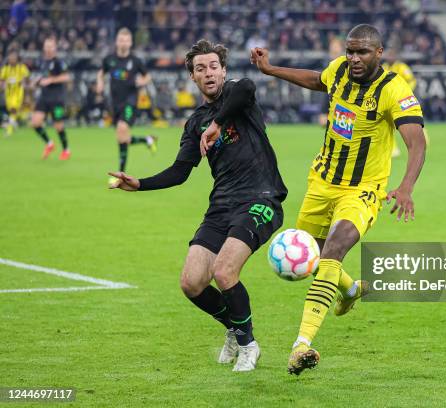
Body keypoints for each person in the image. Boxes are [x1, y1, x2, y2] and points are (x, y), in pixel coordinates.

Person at [250, 24, 426, 375]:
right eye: (350, 51)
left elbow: (416, 142)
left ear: (379, 53)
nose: (354, 58)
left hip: (363, 189)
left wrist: (405, 187)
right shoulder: (340, 71)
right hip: (322, 182)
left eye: (362, 52)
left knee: (333, 250)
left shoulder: (393, 89)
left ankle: (301, 345)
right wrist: (271, 69)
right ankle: (348, 290)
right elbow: (318, 80)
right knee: (314, 261)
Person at [108, 39, 287, 372]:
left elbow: (246, 87)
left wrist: (219, 123)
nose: (209, 73)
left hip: (261, 198)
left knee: (224, 271)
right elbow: (180, 172)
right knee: (191, 282)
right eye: (201, 68)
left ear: (223, 70)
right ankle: (234, 328)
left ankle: (249, 345)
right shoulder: (195, 123)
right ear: (192, 76)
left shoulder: (238, 97)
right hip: (221, 206)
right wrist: (140, 183)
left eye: (214, 66)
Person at [97, 27, 158, 186]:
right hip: (115, 103)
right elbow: (101, 73)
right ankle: (148, 140)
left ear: (130, 42)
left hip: (131, 101)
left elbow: (147, 76)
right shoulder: (109, 59)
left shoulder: (136, 61)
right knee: (122, 138)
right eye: (121, 39)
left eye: (126, 40)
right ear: (117, 41)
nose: (123, 42)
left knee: (122, 128)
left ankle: (121, 176)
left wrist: (142, 81)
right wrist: (99, 83)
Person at [31, 37, 71, 160]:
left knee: (58, 126)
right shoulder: (42, 62)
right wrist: (36, 81)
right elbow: (43, 77)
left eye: (51, 46)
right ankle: (49, 143)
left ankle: (66, 150)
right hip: (44, 98)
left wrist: (51, 80)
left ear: (55, 48)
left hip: (57, 99)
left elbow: (66, 77)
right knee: (35, 123)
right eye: (47, 46)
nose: (48, 49)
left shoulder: (59, 62)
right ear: (44, 48)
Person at [383, 48, 418, 157]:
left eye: (391, 55)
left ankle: (421, 139)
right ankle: (393, 149)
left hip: (403, 100)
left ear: (395, 57)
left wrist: (407, 93)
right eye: (388, 55)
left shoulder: (402, 67)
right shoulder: (383, 67)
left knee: (408, 122)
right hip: (389, 100)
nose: (389, 57)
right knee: (388, 124)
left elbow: (412, 80)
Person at [0, 50, 29, 136]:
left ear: (16, 59)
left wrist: (23, 81)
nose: (12, 60)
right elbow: (1, 79)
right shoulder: (5, 69)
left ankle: (9, 129)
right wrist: (2, 85)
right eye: (10, 58)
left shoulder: (21, 67)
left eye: (13, 58)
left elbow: (27, 76)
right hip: (8, 93)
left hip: (18, 92)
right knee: (12, 111)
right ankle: (15, 122)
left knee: (13, 109)